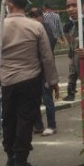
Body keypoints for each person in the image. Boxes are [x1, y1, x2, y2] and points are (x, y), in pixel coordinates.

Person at [0, 0, 59, 166]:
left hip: (7, 81)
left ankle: (11, 158)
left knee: (9, 118)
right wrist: (52, 81)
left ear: (10, 4)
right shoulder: (35, 26)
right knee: (25, 119)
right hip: (30, 78)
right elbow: (46, 57)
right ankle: (21, 161)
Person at [28, 7, 58, 136]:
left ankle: (52, 125)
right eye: (32, 16)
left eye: (36, 16)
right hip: (33, 68)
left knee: (47, 98)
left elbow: (49, 46)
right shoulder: (31, 28)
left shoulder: (45, 28)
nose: (34, 19)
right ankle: (38, 124)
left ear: (41, 16)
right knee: (34, 98)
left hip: (45, 68)